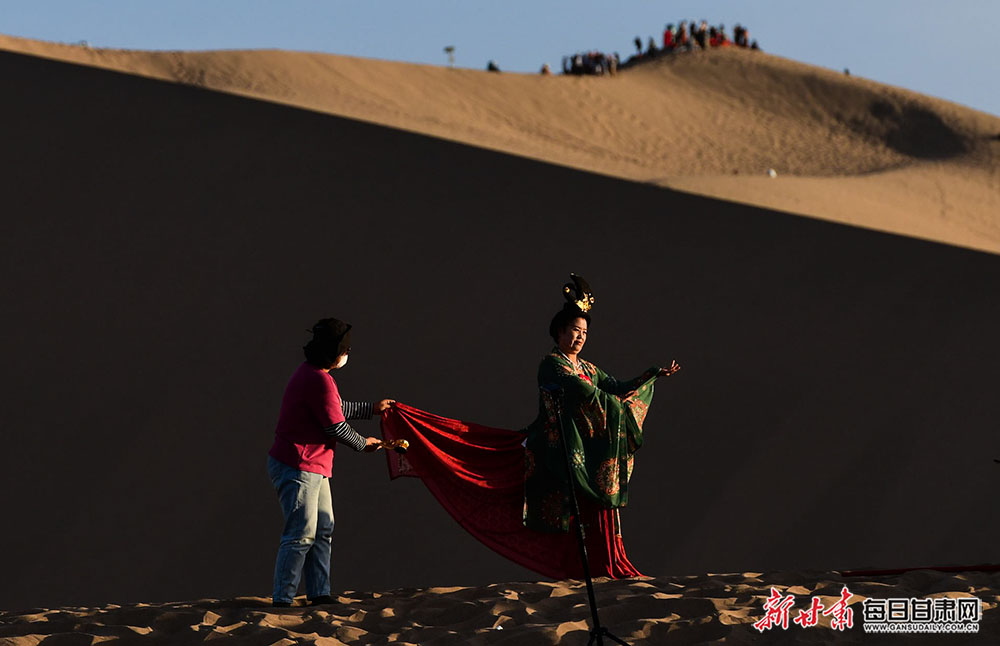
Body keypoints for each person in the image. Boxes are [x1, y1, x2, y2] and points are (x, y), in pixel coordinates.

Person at [522, 275, 681, 577]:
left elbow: (615, 387)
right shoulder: (552, 364)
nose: (580, 337)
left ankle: (608, 563)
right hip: (562, 445)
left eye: (584, 332)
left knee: (598, 506)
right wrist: (613, 403)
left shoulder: (588, 367)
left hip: (588, 447)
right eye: (574, 330)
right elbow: (581, 391)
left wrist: (652, 375)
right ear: (559, 332)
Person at [266, 318, 394, 607]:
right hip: (298, 465)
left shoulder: (315, 376)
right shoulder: (318, 379)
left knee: (323, 528)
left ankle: (319, 593)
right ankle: (283, 599)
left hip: (313, 466)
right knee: (301, 533)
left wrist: (372, 409)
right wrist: (365, 444)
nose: (347, 355)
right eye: (345, 349)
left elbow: (333, 408)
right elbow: (335, 426)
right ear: (332, 352)